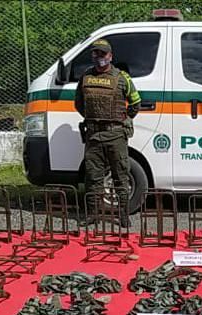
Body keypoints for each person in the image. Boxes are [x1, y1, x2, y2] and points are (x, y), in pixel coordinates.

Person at [74, 39, 141, 226]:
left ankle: (123, 215)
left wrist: (123, 120)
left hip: (116, 136)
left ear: (110, 56)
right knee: (92, 177)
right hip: (94, 136)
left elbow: (136, 103)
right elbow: (79, 104)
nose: (99, 57)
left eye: (103, 54)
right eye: (95, 53)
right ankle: (92, 215)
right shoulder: (85, 77)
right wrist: (93, 120)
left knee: (120, 175)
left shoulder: (122, 78)